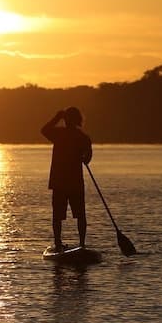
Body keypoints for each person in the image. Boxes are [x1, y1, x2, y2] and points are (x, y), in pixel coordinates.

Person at [41, 107, 92, 250]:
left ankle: (74, 244)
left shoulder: (71, 136)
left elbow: (88, 155)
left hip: (66, 183)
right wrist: (85, 158)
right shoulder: (69, 135)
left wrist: (57, 117)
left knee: (71, 215)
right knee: (69, 215)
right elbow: (88, 158)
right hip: (66, 183)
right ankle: (72, 244)